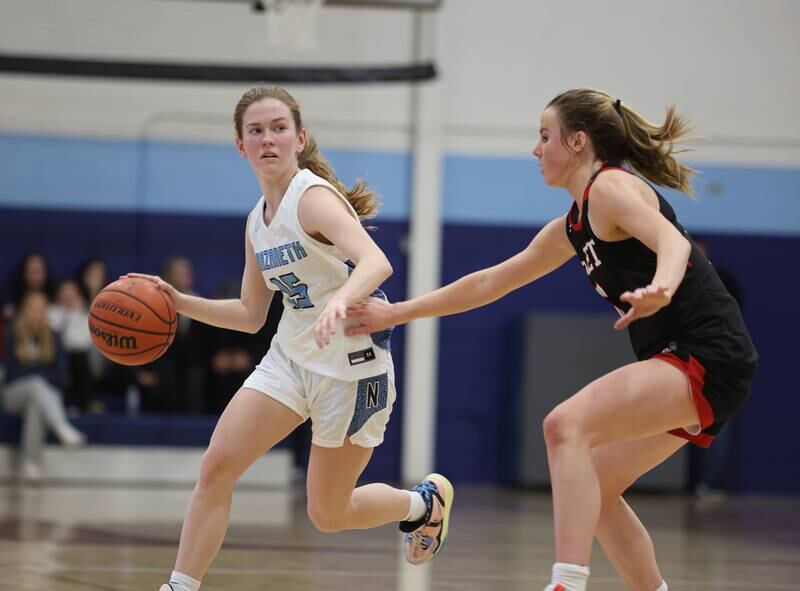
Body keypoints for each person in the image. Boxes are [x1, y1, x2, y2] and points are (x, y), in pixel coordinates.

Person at [347, 88, 758, 591]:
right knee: (598, 490)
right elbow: (488, 282)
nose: (535, 149)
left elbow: (674, 242)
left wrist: (663, 287)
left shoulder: (611, 188)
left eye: (545, 136)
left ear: (578, 141)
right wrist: (397, 312)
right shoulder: (574, 224)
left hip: (707, 355)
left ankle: (565, 583)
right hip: (698, 361)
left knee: (564, 426)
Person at [128, 86, 454, 591]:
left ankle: (421, 504)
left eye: (278, 128)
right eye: (255, 131)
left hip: (351, 369)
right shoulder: (256, 221)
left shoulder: (313, 197)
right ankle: (180, 586)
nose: (268, 139)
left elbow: (376, 261)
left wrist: (343, 300)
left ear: (299, 138)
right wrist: (180, 302)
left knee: (328, 512)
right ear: (240, 146)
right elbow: (250, 314)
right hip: (289, 359)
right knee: (217, 467)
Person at [2, 291, 87, 481]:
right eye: (33, 309)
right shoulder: (13, 335)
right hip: (14, 394)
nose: (37, 314)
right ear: (24, 311)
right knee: (35, 385)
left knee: (36, 405)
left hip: (42, 396)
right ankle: (61, 425)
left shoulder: (55, 337)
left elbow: (61, 375)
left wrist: (34, 372)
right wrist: (40, 374)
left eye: (41, 310)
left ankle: (30, 465)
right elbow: (12, 373)